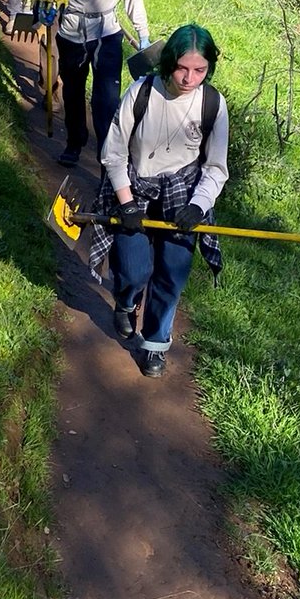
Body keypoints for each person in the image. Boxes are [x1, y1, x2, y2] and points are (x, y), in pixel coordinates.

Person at [93, 25, 229, 378]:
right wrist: (126, 205)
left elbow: (216, 167)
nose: (189, 78)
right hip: (134, 188)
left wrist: (198, 206)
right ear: (169, 62)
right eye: (182, 68)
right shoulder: (141, 93)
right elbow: (113, 153)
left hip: (183, 194)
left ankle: (155, 343)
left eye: (199, 70)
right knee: (135, 268)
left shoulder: (213, 104)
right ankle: (126, 300)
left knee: (172, 274)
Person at [44, 0, 149, 167]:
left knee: (107, 101)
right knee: (74, 93)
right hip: (71, 34)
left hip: (107, 34)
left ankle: (107, 157)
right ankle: (74, 143)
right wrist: (46, 9)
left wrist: (143, 33)